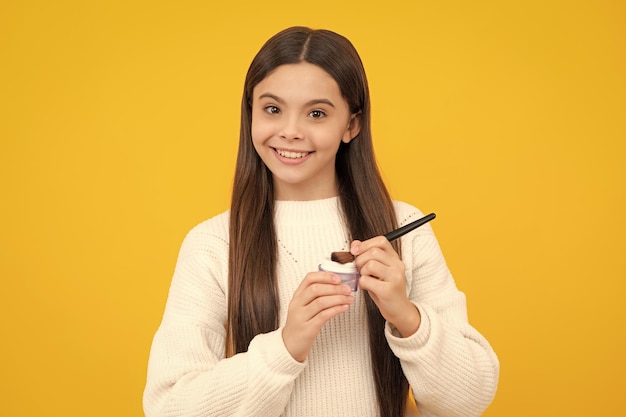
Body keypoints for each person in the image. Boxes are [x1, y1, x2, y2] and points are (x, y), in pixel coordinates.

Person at [143, 26, 499, 417]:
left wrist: (406, 317)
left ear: (352, 125)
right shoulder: (213, 244)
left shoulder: (405, 229)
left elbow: (470, 400)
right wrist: (286, 346)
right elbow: (168, 407)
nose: (291, 131)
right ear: (250, 115)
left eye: (316, 113)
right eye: (272, 109)